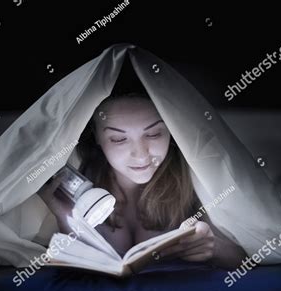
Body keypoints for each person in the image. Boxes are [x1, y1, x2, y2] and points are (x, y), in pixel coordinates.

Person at [38, 93, 247, 269]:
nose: (140, 155)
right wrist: (65, 217)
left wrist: (213, 247)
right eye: (119, 139)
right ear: (96, 138)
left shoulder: (194, 177)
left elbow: (244, 257)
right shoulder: (77, 181)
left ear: (172, 131)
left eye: (154, 134)